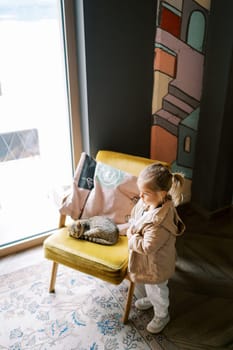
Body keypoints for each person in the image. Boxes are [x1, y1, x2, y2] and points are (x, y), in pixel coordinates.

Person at [126, 163, 185, 334]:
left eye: (145, 193)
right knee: (148, 285)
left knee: (157, 290)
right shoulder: (151, 204)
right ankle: (151, 300)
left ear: (162, 194)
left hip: (157, 264)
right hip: (149, 263)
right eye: (140, 192)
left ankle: (162, 314)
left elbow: (147, 246)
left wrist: (132, 237)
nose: (140, 196)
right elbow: (140, 217)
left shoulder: (160, 223)